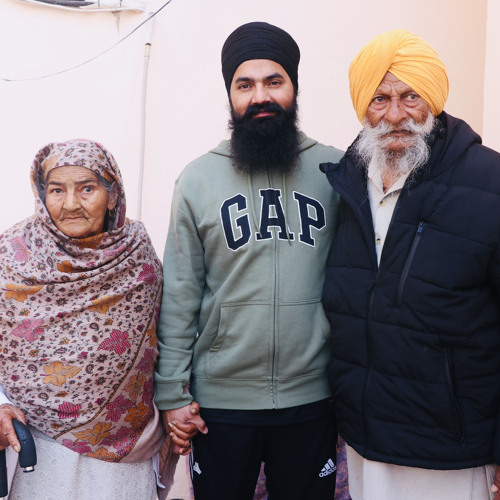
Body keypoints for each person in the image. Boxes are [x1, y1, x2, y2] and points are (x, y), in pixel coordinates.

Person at [154, 21, 344, 500]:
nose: (260, 96)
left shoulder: (336, 172)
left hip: (313, 397)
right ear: (231, 95)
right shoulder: (197, 180)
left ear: (294, 87)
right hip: (221, 404)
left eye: (273, 81)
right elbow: (179, 295)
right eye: (245, 85)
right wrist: (173, 396)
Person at [320, 29, 500, 500]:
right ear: (363, 106)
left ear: (434, 99)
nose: (395, 115)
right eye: (379, 99)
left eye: (410, 96)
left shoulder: (490, 183)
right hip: (365, 442)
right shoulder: (348, 183)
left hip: (450, 450)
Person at [0, 139, 167, 499]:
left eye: (87, 188)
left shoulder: (137, 253)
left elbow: (165, 341)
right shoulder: (11, 255)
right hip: (35, 453)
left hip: (124, 455)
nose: (71, 204)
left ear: (112, 194)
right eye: (57, 190)